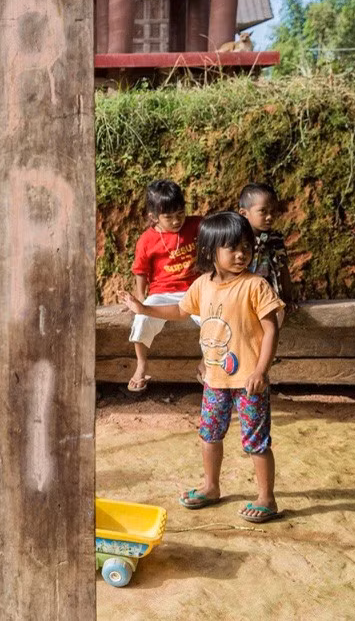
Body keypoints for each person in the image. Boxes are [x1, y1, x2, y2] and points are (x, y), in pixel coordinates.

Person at [121, 212, 285, 523]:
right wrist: (143, 308)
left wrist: (261, 371)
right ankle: (211, 487)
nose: (241, 254)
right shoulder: (201, 285)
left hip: (249, 380)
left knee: (255, 440)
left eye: (246, 247)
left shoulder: (255, 286)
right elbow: (180, 310)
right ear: (210, 252)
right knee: (209, 434)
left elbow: (271, 329)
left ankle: (267, 498)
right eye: (232, 248)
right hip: (214, 380)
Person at [127, 179, 201, 392]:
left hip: (196, 291)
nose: (177, 221)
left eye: (180, 213)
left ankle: (206, 364)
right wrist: (140, 298)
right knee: (142, 319)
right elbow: (141, 270)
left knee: (214, 319)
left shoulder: (197, 225)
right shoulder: (147, 240)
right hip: (163, 293)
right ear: (153, 217)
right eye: (169, 217)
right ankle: (141, 365)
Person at [238, 183, 296, 323]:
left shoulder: (275, 239)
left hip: (269, 299)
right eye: (263, 211)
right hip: (243, 298)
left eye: (273, 211)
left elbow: (282, 268)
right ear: (244, 213)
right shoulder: (237, 240)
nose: (269, 217)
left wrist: (288, 298)